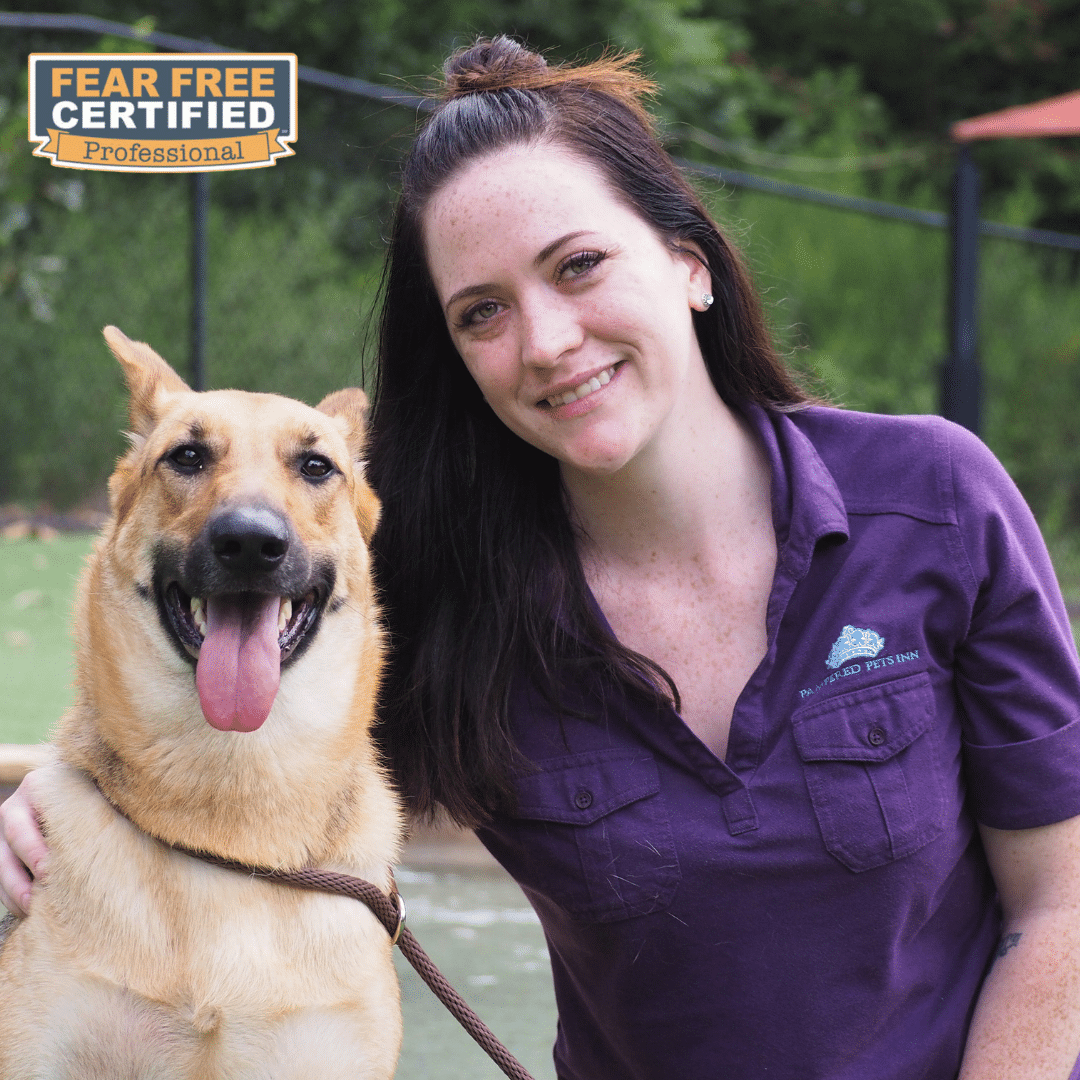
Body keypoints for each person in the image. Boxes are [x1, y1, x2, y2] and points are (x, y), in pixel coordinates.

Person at [4, 35, 1080, 1079]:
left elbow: (1061, 907)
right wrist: (55, 798)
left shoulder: (934, 498)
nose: (549, 340)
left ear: (690, 263)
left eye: (579, 266)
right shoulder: (433, 596)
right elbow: (219, 720)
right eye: (484, 313)